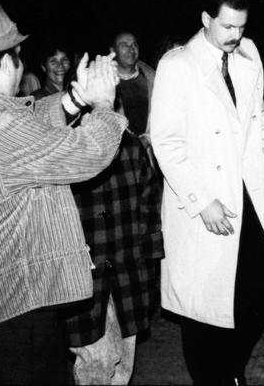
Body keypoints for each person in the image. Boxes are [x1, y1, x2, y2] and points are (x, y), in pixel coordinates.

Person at [0, 0, 128, 385]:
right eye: (19, 56)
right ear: (5, 61)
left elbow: (26, 119)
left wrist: (77, 98)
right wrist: (103, 105)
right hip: (18, 307)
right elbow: (86, 154)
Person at [149, 0, 264, 385]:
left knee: (255, 298)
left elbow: (262, 114)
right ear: (206, 19)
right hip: (204, 204)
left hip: (250, 198)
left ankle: (232, 370)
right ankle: (216, 379)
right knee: (205, 308)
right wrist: (201, 201)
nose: (235, 35)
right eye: (227, 27)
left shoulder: (249, 55)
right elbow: (165, 142)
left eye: (241, 26)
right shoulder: (177, 65)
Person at [65, 31, 164, 385]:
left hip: (127, 267)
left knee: (124, 355)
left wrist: (150, 255)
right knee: (95, 359)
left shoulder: (131, 148)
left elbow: (149, 204)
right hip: (86, 273)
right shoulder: (68, 146)